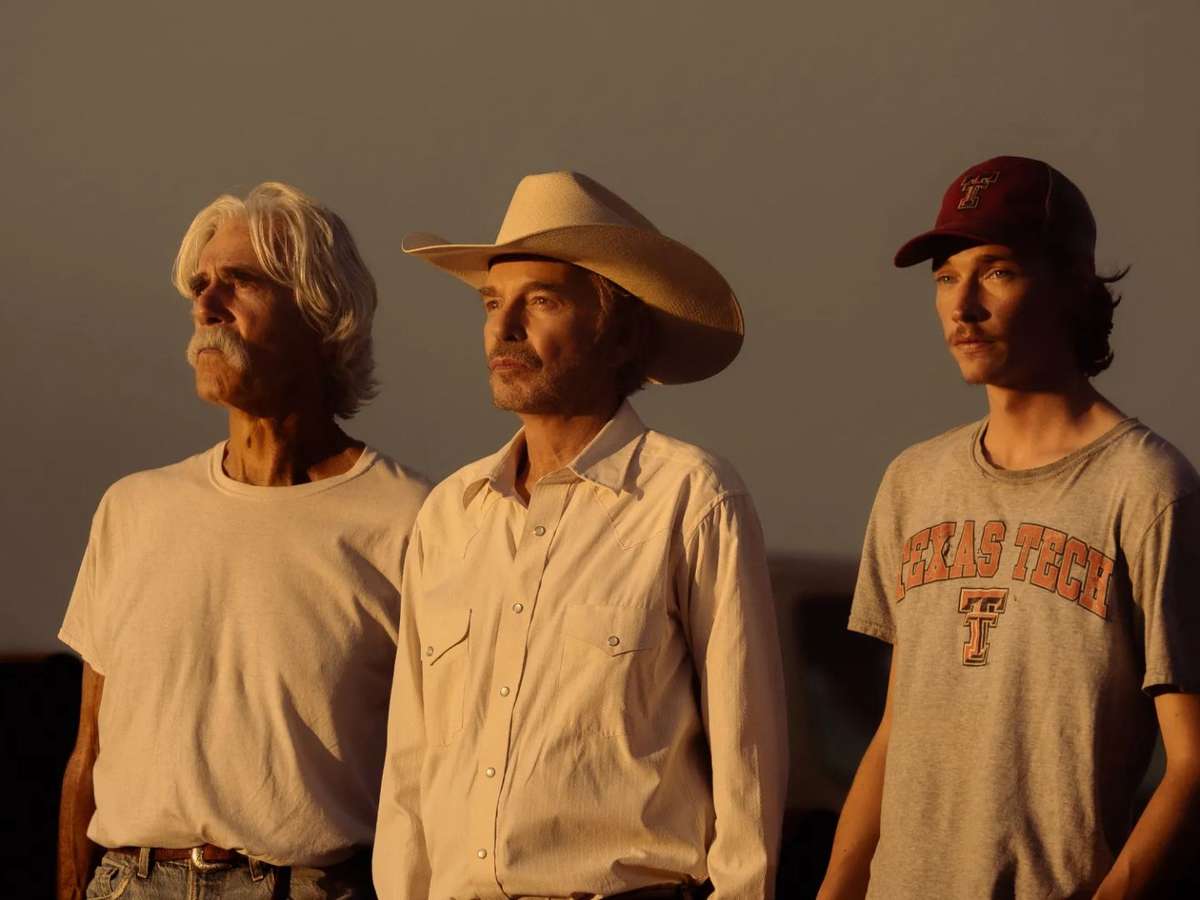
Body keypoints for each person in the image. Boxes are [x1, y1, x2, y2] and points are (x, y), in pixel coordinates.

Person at [373, 171, 788, 899]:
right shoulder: (449, 515)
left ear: (617, 331)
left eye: (541, 301)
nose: (504, 329)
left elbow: (746, 756)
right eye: (492, 303)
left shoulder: (691, 499)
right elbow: (410, 766)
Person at [817, 156, 1200, 899]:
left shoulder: (1147, 488)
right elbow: (897, 730)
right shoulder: (913, 481)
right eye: (945, 278)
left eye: (997, 272)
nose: (962, 307)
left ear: (1072, 286)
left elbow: (1191, 763)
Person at [57, 182, 429, 899]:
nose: (207, 305)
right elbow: (87, 754)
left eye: (240, 281)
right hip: (127, 881)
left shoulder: (413, 518)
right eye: (200, 286)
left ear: (322, 312)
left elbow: (438, 767)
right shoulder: (132, 509)